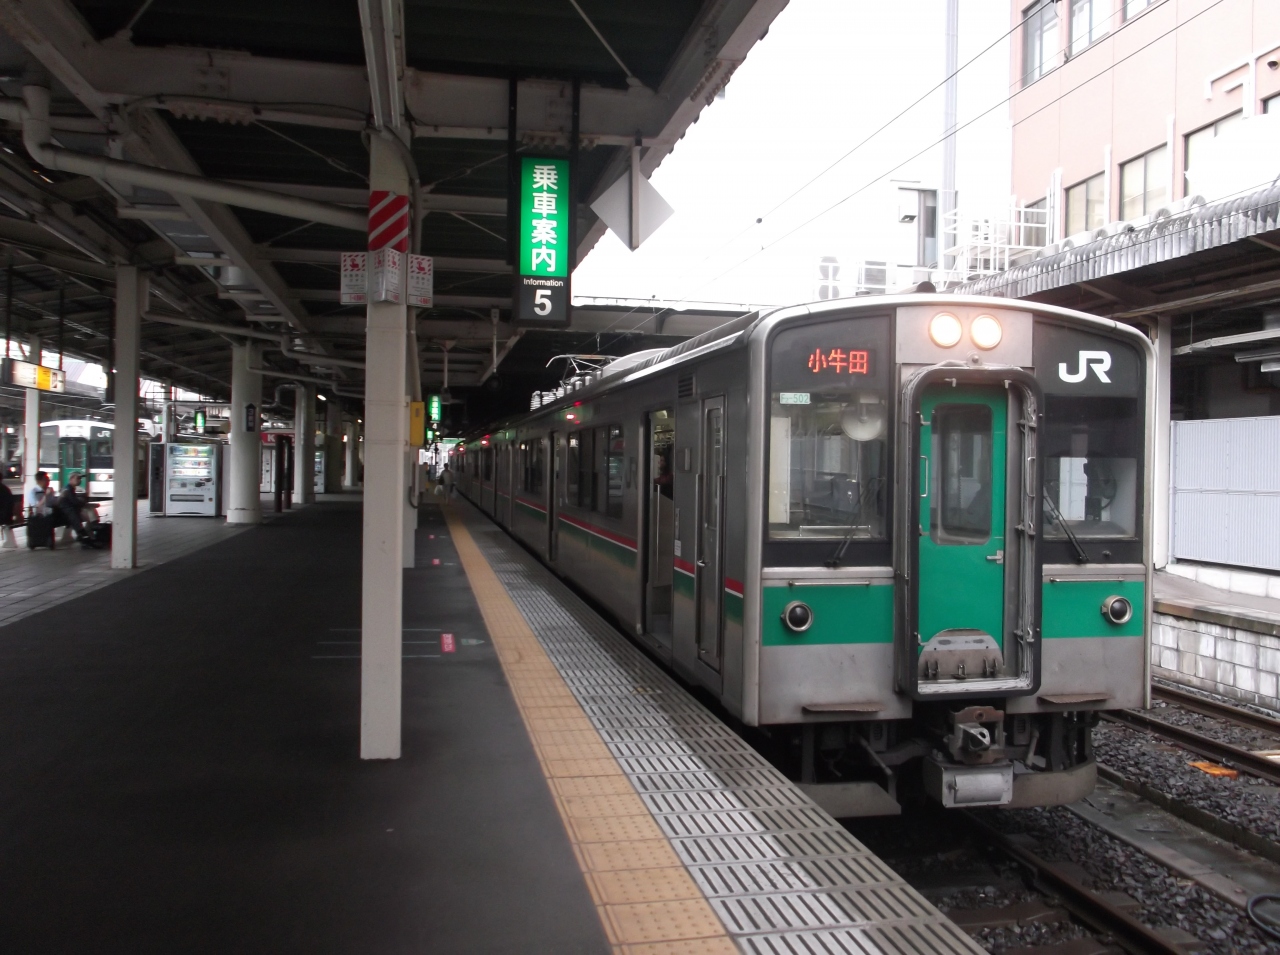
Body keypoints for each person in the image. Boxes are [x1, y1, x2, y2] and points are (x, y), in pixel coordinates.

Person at [56, 472, 89, 543]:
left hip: (67, 512)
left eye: (80, 479)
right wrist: (83, 502)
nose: (80, 480)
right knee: (77, 515)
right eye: (78, 478)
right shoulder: (68, 489)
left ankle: (82, 535)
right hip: (65, 513)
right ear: (71, 479)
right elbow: (75, 502)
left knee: (77, 514)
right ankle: (83, 535)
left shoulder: (69, 488)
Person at [0, 477, 14, 549]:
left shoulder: (2, 489)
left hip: (3, 515)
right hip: (8, 514)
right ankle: (10, 541)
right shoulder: (5, 488)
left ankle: (10, 541)